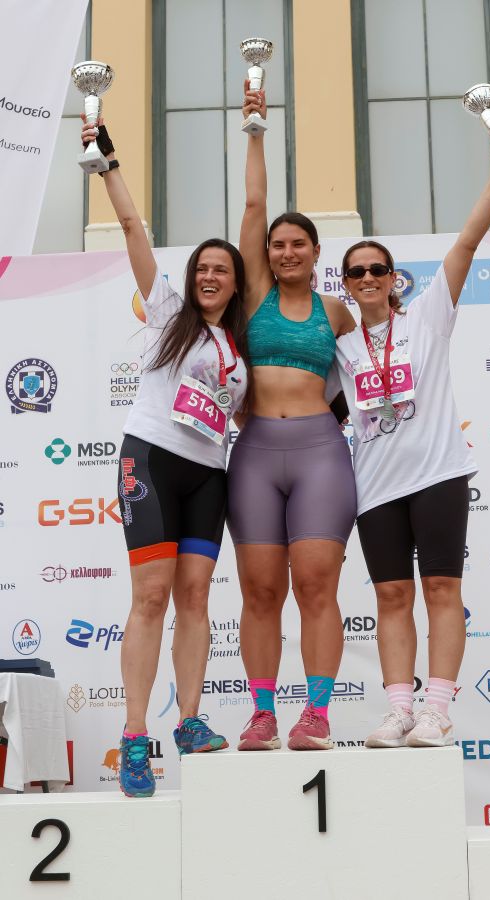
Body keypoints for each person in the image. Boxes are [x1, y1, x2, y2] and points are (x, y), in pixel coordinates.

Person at [81, 118, 249, 795]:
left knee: (196, 597)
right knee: (150, 597)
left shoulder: (240, 350)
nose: (210, 276)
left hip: (209, 476)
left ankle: (189, 720)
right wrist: (110, 165)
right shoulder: (166, 312)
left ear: (235, 284)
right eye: (203, 268)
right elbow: (131, 230)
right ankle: (133, 736)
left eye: (221, 270)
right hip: (151, 458)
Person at [335, 136, 490, 748]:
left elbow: (465, 243)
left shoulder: (428, 317)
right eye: (356, 272)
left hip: (438, 474)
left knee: (442, 590)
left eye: (376, 269)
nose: (367, 278)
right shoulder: (340, 347)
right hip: (375, 485)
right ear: (346, 283)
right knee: (390, 595)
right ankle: (399, 712)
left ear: (394, 279)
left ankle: (436, 711)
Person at [227, 83, 357, 751]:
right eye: (277, 244)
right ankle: (262, 714)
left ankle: (317, 714)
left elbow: (380, 366)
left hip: (319, 452)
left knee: (315, 585)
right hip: (253, 451)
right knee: (259, 590)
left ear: (315, 251)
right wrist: (256, 128)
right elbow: (254, 204)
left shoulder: (338, 312)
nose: (285, 252)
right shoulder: (252, 293)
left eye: (297, 244)